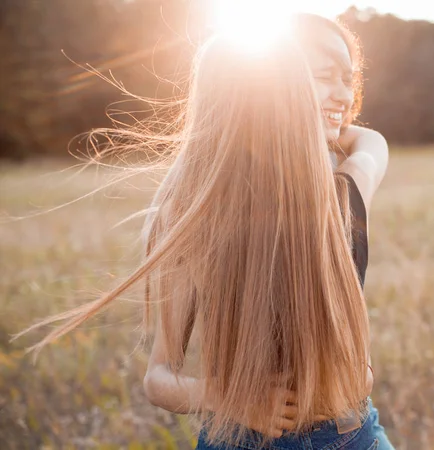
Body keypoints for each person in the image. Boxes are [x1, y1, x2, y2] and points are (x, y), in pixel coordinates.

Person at [15, 13, 392, 450]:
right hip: (244, 441)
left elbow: (371, 143)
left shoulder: (342, 196)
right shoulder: (199, 219)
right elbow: (160, 378)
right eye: (325, 77)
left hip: (357, 434)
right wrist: (233, 399)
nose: (345, 94)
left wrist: (323, 119)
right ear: (269, 88)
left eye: (349, 79)